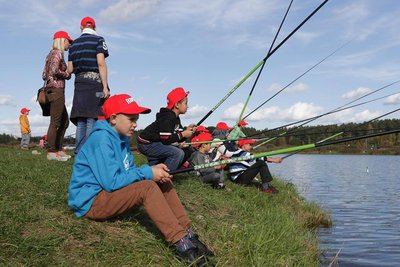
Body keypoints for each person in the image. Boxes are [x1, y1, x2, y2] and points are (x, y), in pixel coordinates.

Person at [68, 94, 213, 264]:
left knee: (162, 180)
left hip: (107, 194)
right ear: (114, 118)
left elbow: (127, 172)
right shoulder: (101, 139)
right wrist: (147, 172)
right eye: (131, 119)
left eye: (136, 119)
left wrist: (154, 172)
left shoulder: (122, 139)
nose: (135, 124)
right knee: (147, 187)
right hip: (91, 202)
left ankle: (187, 232)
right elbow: (112, 183)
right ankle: (180, 242)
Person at [67, 16, 110, 155]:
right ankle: (90, 152)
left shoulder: (73, 45)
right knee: (92, 116)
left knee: (81, 119)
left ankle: (79, 152)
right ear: (95, 27)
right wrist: (105, 86)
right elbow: (101, 63)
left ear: (81, 27)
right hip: (94, 82)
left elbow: (70, 69)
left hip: (79, 83)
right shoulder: (98, 40)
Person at [137, 87, 197, 171]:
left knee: (186, 150)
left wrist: (188, 132)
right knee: (177, 153)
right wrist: (183, 134)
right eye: (186, 103)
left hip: (156, 142)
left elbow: (177, 138)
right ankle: (163, 177)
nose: (188, 106)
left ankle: (153, 171)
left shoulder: (176, 118)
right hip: (146, 144)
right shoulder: (167, 117)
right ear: (177, 105)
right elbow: (166, 139)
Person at [42, 30, 73, 161]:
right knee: (55, 122)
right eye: (68, 41)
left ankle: (58, 149)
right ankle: (52, 152)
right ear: (62, 41)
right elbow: (55, 70)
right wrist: (67, 74)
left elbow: (44, 74)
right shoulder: (57, 53)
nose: (69, 44)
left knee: (64, 121)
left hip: (51, 90)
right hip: (57, 91)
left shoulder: (50, 54)